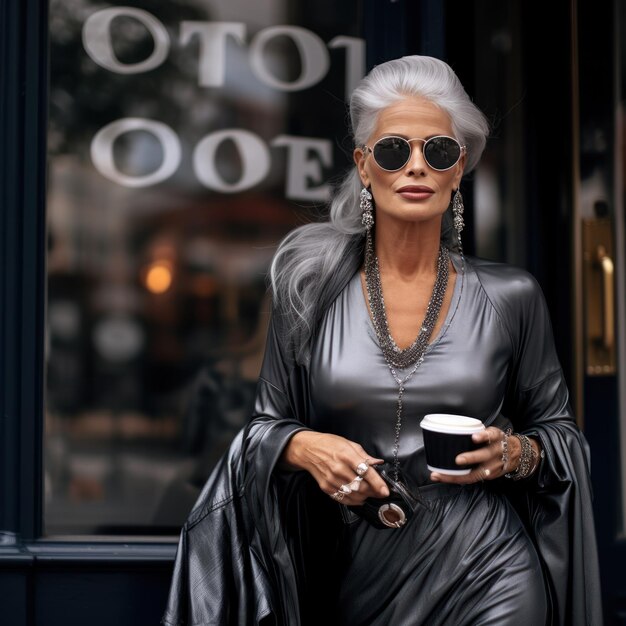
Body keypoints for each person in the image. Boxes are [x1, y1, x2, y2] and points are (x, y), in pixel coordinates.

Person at [163, 55, 602, 626]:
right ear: (364, 166)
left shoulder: (512, 296)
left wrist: (513, 453)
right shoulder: (309, 291)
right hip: (353, 572)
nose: (416, 167)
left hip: (490, 569)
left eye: (437, 151)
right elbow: (266, 427)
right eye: (395, 150)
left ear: (458, 168)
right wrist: (305, 447)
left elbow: (560, 434)